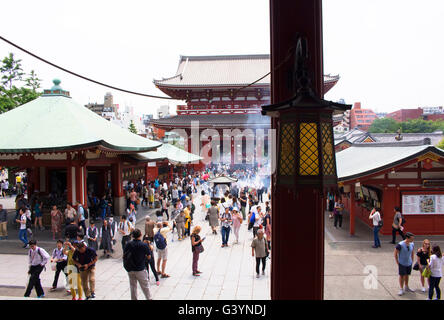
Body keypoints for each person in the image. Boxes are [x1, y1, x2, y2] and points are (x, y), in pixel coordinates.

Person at [123, 229, 152, 300]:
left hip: (130, 269)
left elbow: (124, 255)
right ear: (141, 235)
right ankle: (149, 298)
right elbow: (149, 256)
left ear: (132, 235)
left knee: (133, 286)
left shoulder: (128, 244)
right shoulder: (143, 245)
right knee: (145, 286)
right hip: (140, 269)